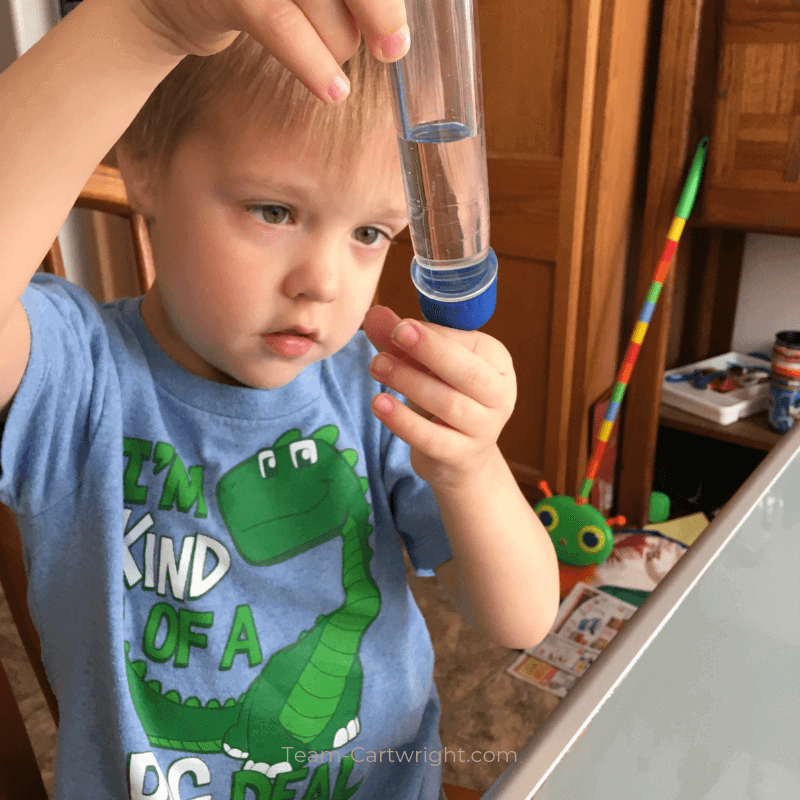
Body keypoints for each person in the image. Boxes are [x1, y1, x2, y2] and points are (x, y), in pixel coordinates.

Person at [0, 0, 559, 797]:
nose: (323, 284)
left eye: (371, 234)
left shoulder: (372, 379)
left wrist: (470, 469)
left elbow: (521, 618)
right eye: (274, 210)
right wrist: (145, 25)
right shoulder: (77, 379)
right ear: (146, 164)